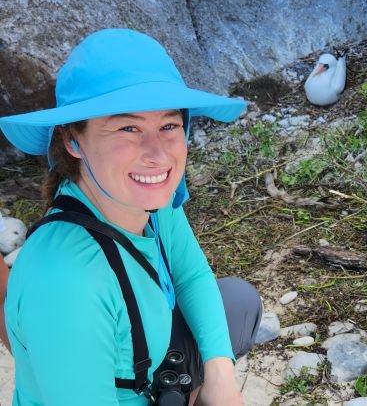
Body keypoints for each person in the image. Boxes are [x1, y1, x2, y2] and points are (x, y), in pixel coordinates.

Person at [0, 28, 262, 406]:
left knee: (237, 303)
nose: (156, 154)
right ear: (73, 140)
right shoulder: (66, 282)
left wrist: (221, 377)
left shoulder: (146, 201)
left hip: (147, 365)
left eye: (168, 125)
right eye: (128, 128)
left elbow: (191, 275)